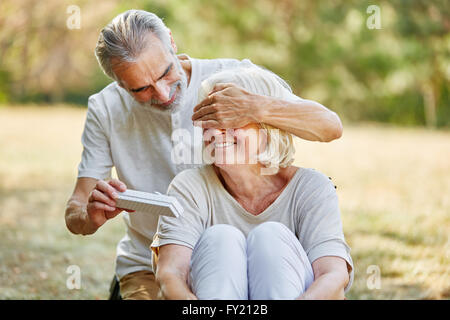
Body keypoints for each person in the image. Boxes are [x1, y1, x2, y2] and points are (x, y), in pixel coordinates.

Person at [64, 9, 344, 300]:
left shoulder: (233, 79)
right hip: (154, 263)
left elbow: (330, 127)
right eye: (141, 89)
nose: (162, 94)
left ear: (171, 42)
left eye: (164, 73)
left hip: (255, 255)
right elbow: (76, 209)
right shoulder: (106, 108)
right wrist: (90, 215)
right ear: (119, 86)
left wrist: (255, 108)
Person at [151, 66, 353, 300]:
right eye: (210, 119)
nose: (216, 132)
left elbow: (334, 275)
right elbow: (170, 275)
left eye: (231, 120)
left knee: (271, 237)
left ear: (268, 127)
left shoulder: (312, 188)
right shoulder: (188, 187)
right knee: (221, 238)